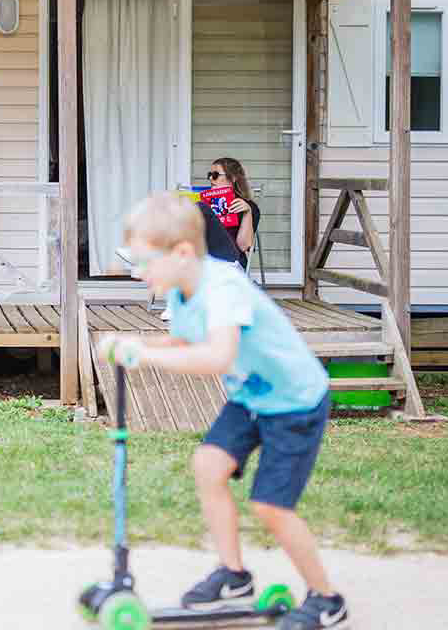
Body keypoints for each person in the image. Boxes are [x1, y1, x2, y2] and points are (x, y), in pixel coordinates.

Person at [97, 192, 343, 630]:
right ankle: (234, 574)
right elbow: (184, 342)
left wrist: (143, 358)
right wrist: (131, 343)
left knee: (271, 507)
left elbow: (217, 357)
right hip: (252, 396)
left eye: (145, 261)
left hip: (293, 402)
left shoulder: (223, 286)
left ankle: (327, 599)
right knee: (208, 465)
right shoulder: (180, 291)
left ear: (183, 253)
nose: (139, 272)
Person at [208, 157, 261, 271]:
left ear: (232, 178)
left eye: (216, 175)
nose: (211, 179)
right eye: (210, 175)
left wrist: (247, 214)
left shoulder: (249, 207)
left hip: (231, 264)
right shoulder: (205, 203)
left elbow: (243, 246)